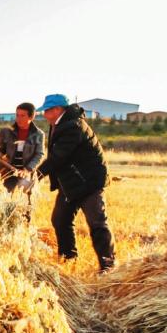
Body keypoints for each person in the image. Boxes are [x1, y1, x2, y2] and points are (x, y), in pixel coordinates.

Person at [35, 94, 115, 271]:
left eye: (46, 111)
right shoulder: (60, 123)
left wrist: (36, 175)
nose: (44, 115)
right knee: (60, 220)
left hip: (89, 183)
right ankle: (68, 260)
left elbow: (59, 157)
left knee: (97, 224)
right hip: (72, 183)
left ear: (57, 109)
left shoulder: (73, 126)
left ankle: (108, 267)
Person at [0, 102, 45, 193]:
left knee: (25, 198)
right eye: (17, 115)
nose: (18, 119)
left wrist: (27, 169)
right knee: (6, 197)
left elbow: (39, 154)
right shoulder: (6, 131)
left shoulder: (39, 134)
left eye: (22, 116)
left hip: (26, 175)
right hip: (7, 173)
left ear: (31, 117)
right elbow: (0, 149)